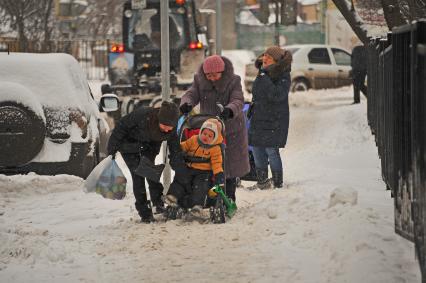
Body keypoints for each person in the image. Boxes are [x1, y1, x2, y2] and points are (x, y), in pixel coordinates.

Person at [179, 55, 250, 202]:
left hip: (230, 128)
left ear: (222, 72)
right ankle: (209, 197)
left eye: (215, 75)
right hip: (208, 128)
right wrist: (186, 103)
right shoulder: (199, 81)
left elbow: (238, 99)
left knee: (228, 165)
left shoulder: (233, 81)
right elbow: (191, 94)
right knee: (208, 163)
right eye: (208, 75)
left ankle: (229, 197)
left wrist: (229, 110)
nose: (211, 78)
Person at [107, 101, 184, 223]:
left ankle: (158, 203)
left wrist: (179, 164)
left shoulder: (171, 129)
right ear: (159, 119)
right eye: (164, 125)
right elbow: (121, 127)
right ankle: (144, 212)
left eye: (170, 127)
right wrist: (111, 149)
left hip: (148, 147)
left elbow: (175, 149)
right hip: (129, 146)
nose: (167, 129)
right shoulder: (142, 115)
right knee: (138, 176)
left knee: (151, 173)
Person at [247, 46, 292, 189]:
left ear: (276, 61)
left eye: (269, 57)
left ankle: (278, 183)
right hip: (259, 117)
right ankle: (262, 181)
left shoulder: (283, 75)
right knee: (256, 149)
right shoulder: (263, 72)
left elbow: (277, 95)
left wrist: (264, 78)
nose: (264, 58)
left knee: (271, 150)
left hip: (274, 119)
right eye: (265, 54)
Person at [165, 119, 224, 216]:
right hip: (189, 168)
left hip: (204, 172)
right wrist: (177, 151)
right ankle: (173, 196)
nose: (206, 137)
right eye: (204, 133)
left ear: (215, 138)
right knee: (180, 180)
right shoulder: (194, 139)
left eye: (210, 136)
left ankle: (197, 205)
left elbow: (217, 163)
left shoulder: (215, 149)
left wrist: (219, 174)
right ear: (201, 132)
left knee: (200, 186)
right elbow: (183, 146)